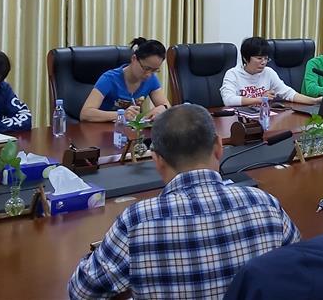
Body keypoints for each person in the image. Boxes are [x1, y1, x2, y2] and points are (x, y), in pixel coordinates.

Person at [68, 104, 299, 299]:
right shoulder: (266, 205)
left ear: (156, 160)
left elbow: (81, 292)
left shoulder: (138, 221)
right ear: (219, 147)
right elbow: (298, 270)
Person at [80, 37, 171, 122]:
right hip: (104, 130)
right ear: (134, 59)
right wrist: (121, 115)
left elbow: (167, 107)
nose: (148, 74)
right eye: (146, 68)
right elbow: (85, 113)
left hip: (132, 131)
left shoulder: (151, 79)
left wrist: (163, 108)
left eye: (154, 70)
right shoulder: (109, 78)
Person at [220, 37, 320, 107]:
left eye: (266, 58)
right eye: (259, 58)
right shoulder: (233, 74)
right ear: (245, 58)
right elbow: (228, 100)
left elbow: (288, 93)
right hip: (240, 119)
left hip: (263, 116)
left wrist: (314, 101)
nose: (263, 62)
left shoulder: (268, 72)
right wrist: (260, 99)